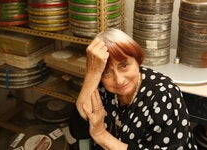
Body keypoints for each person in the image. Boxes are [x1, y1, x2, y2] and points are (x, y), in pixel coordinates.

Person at [70, 28, 198, 149]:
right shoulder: (100, 85)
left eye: (124, 65)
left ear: (138, 60)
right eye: (106, 72)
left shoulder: (164, 95)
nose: (119, 80)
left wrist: (100, 135)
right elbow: (78, 131)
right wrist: (92, 74)